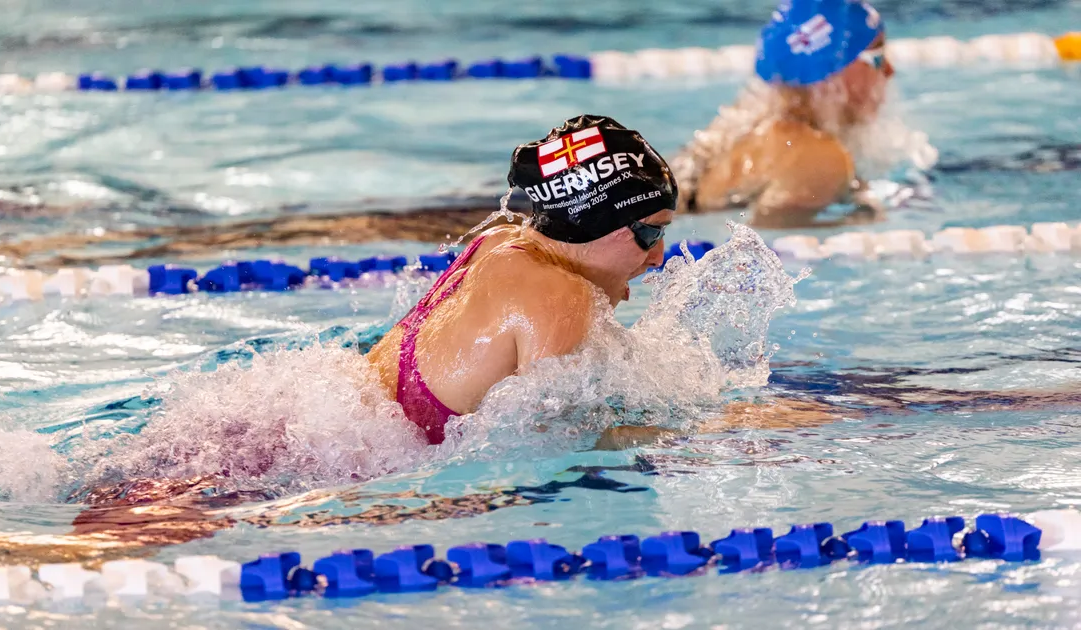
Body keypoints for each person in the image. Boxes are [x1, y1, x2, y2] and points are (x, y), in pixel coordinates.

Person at [366, 114, 679, 445]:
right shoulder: (560, 296)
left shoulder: (497, 243)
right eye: (650, 231)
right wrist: (709, 432)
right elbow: (558, 447)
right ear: (599, 221)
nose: (657, 256)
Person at [671, 0, 905, 229]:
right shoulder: (818, 157)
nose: (889, 70)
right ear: (830, 74)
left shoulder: (742, 129)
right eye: (876, 57)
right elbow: (768, 247)